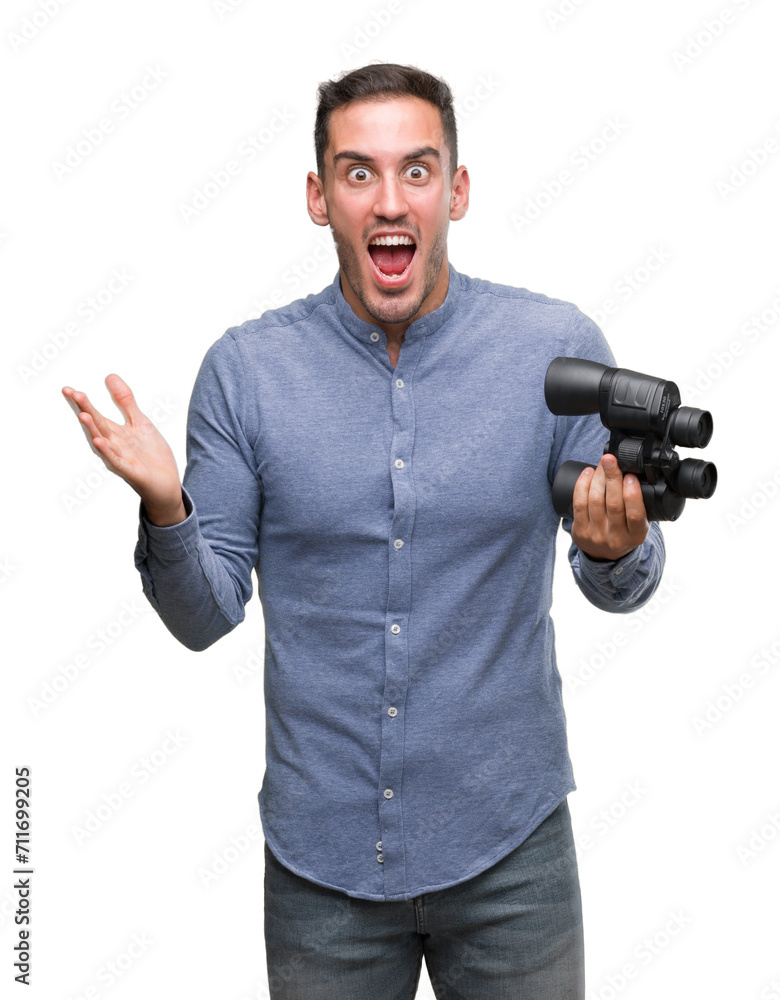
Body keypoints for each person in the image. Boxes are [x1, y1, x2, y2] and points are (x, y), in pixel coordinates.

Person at [63, 63, 665, 999]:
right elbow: (203, 615)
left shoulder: (556, 352)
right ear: (319, 196)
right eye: (358, 172)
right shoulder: (246, 372)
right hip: (322, 869)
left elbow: (623, 580)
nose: (390, 199)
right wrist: (166, 507)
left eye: (417, 171)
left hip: (513, 853)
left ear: (456, 191)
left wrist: (615, 547)